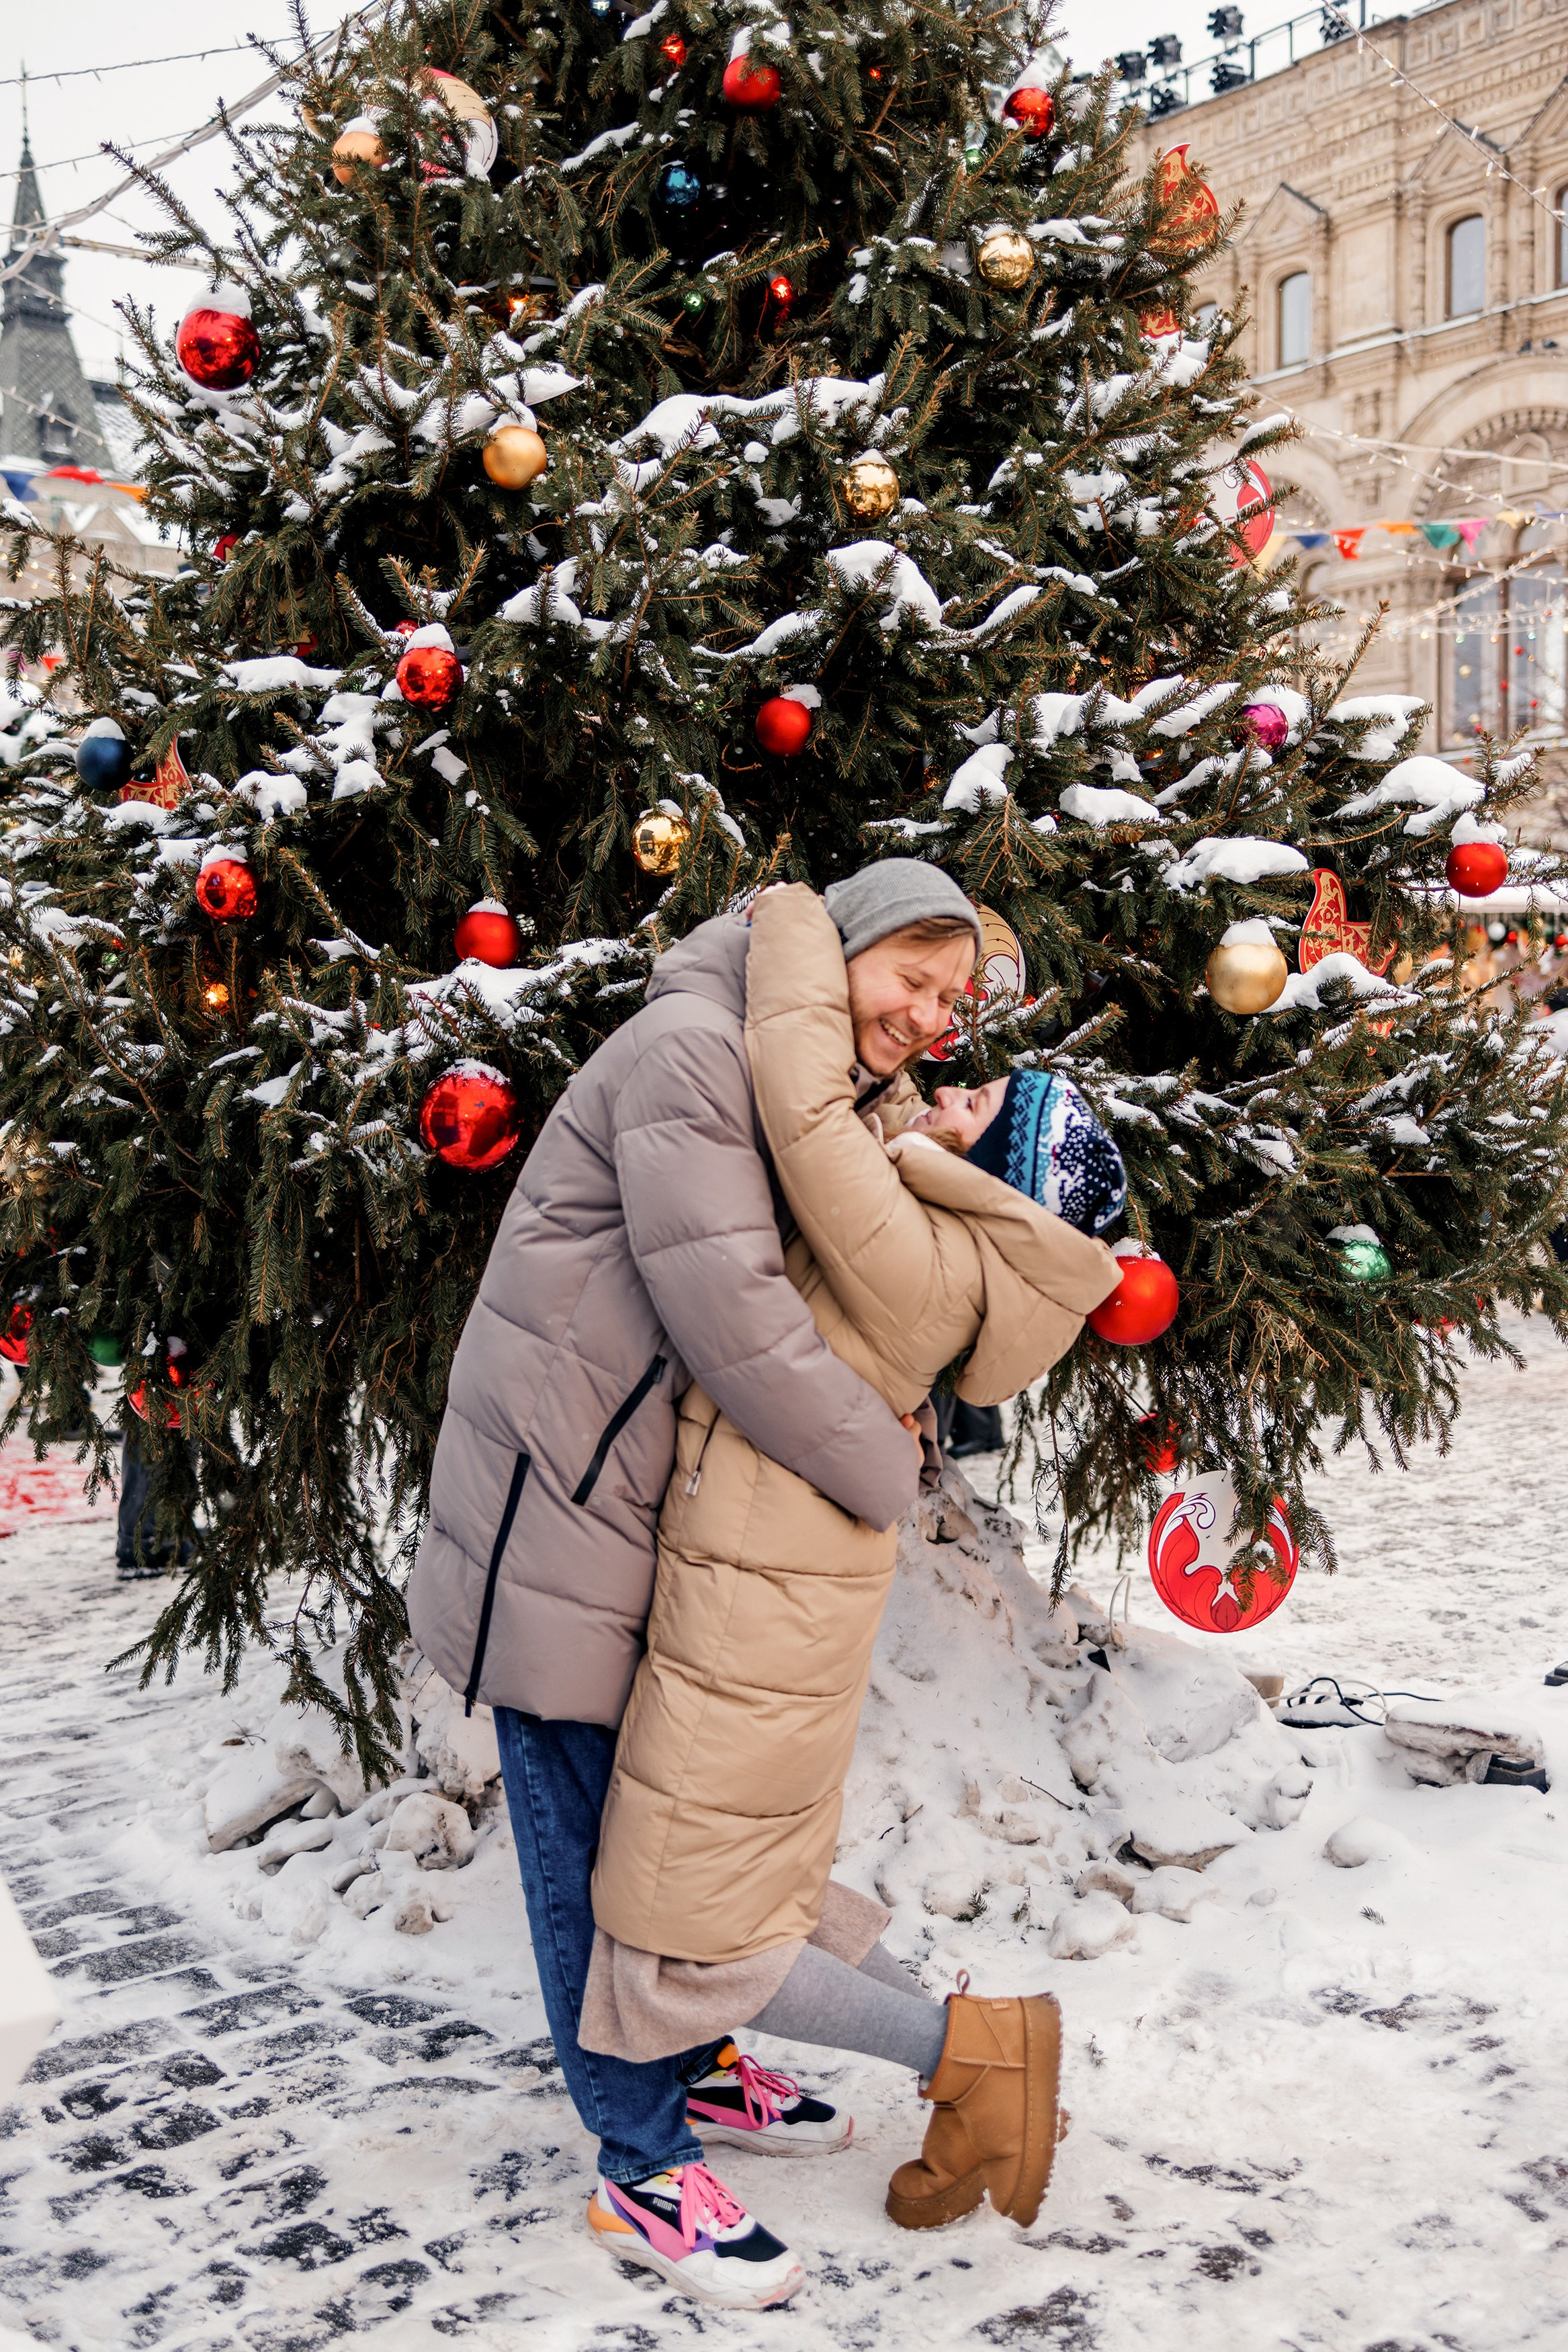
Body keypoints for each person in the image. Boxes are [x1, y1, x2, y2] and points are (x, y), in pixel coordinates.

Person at [406, 859, 985, 2312]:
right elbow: (733, 1311)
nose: (928, 1013)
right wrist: (888, 1458)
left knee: (666, 1830)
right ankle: (641, 2160)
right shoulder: (692, 1051)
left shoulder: (793, 1069)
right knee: (589, 1848)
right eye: (909, 977)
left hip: (640, 1502)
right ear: (840, 950)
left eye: (951, 996)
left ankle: (698, 2061)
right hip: (562, 1503)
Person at [584, 885, 1123, 2279]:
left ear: (999, 1171)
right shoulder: (957, 1251)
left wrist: (786, 921)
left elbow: (807, 1109)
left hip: (759, 1576)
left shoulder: (916, 1247)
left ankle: (975, 2055)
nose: (946, 1078)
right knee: (749, 1874)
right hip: (781, 1566)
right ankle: (977, 2061)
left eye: (975, 1101)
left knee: (691, 1920)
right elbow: (857, 1145)